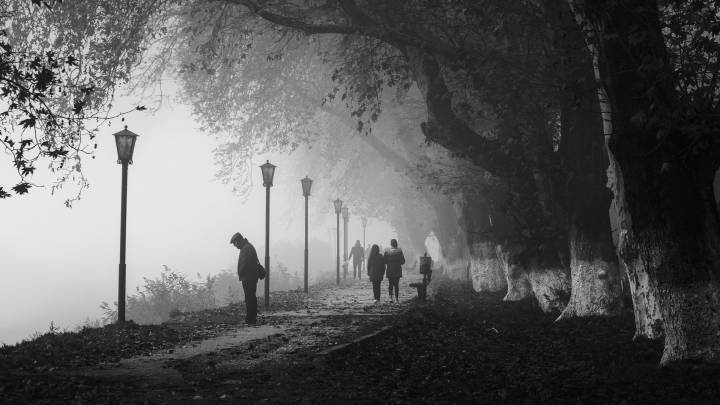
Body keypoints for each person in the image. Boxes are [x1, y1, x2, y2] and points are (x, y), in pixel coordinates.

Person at [231, 232, 259, 325]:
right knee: (250, 297)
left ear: (238, 241)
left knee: (249, 298)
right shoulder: (247, 247)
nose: (235, 246)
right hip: (250, 277)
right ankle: (251, 318)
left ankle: (251, 319)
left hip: (248, 277)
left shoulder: (246, 248)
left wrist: (240, 272)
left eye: (235, 243)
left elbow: (245, 264)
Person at [384, 239, 405, 303]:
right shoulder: (400, 251)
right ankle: (396, 298)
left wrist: (389, 262)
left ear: (391, 244)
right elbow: (403, 261)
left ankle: (390, 297)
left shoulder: (387, 251)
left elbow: (384, 261)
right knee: (396, 285)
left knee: (390, 284)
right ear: (396, 243)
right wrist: (398, 263)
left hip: (390, 269)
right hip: (397, 269)